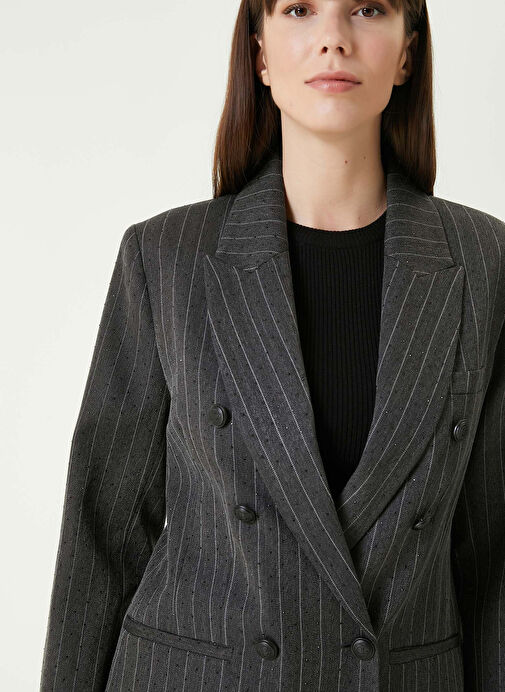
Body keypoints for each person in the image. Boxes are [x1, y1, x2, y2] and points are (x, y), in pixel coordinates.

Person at [40, 1, 505, 690]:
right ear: (259, 52)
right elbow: (102, 528)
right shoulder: (166, 256)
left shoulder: (484, 260)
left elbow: (492, 552)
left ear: (407, 51)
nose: (332, 40)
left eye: (366, 9)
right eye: (299, 10)